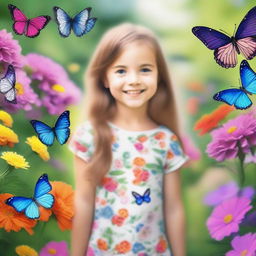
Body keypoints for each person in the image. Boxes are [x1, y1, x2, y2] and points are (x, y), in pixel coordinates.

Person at [68, 23, 189, 256]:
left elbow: (173, 208)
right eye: (121, 71)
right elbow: (83, 202)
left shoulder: (166, 140)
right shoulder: (89, 136)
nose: (133, 80)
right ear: (104, 78)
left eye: (145, 69)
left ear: (159, 76)